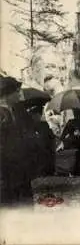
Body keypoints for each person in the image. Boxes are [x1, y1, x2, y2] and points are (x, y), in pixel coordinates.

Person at [0, 77, 34, 207]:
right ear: (8, 94)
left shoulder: (18, 110)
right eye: (16, 91)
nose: (19, 94)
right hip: (6, 165)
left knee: (24, 198)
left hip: (21, 162)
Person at [59, 108, 80, 175]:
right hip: (75, 148)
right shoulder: (72, 122)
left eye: (76, 112)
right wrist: (72, 136)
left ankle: (76, 168)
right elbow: (62, 136)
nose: (75, 114)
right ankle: (76, 168)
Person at [26, 104, 56, 177]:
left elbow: (50, 136)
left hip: (45, 147)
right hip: (37, 147)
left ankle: (46, 170)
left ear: (39, 115)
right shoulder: (31, 125)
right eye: (33, 116)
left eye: (35, 115)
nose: (34, 117)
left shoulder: (44, 124)